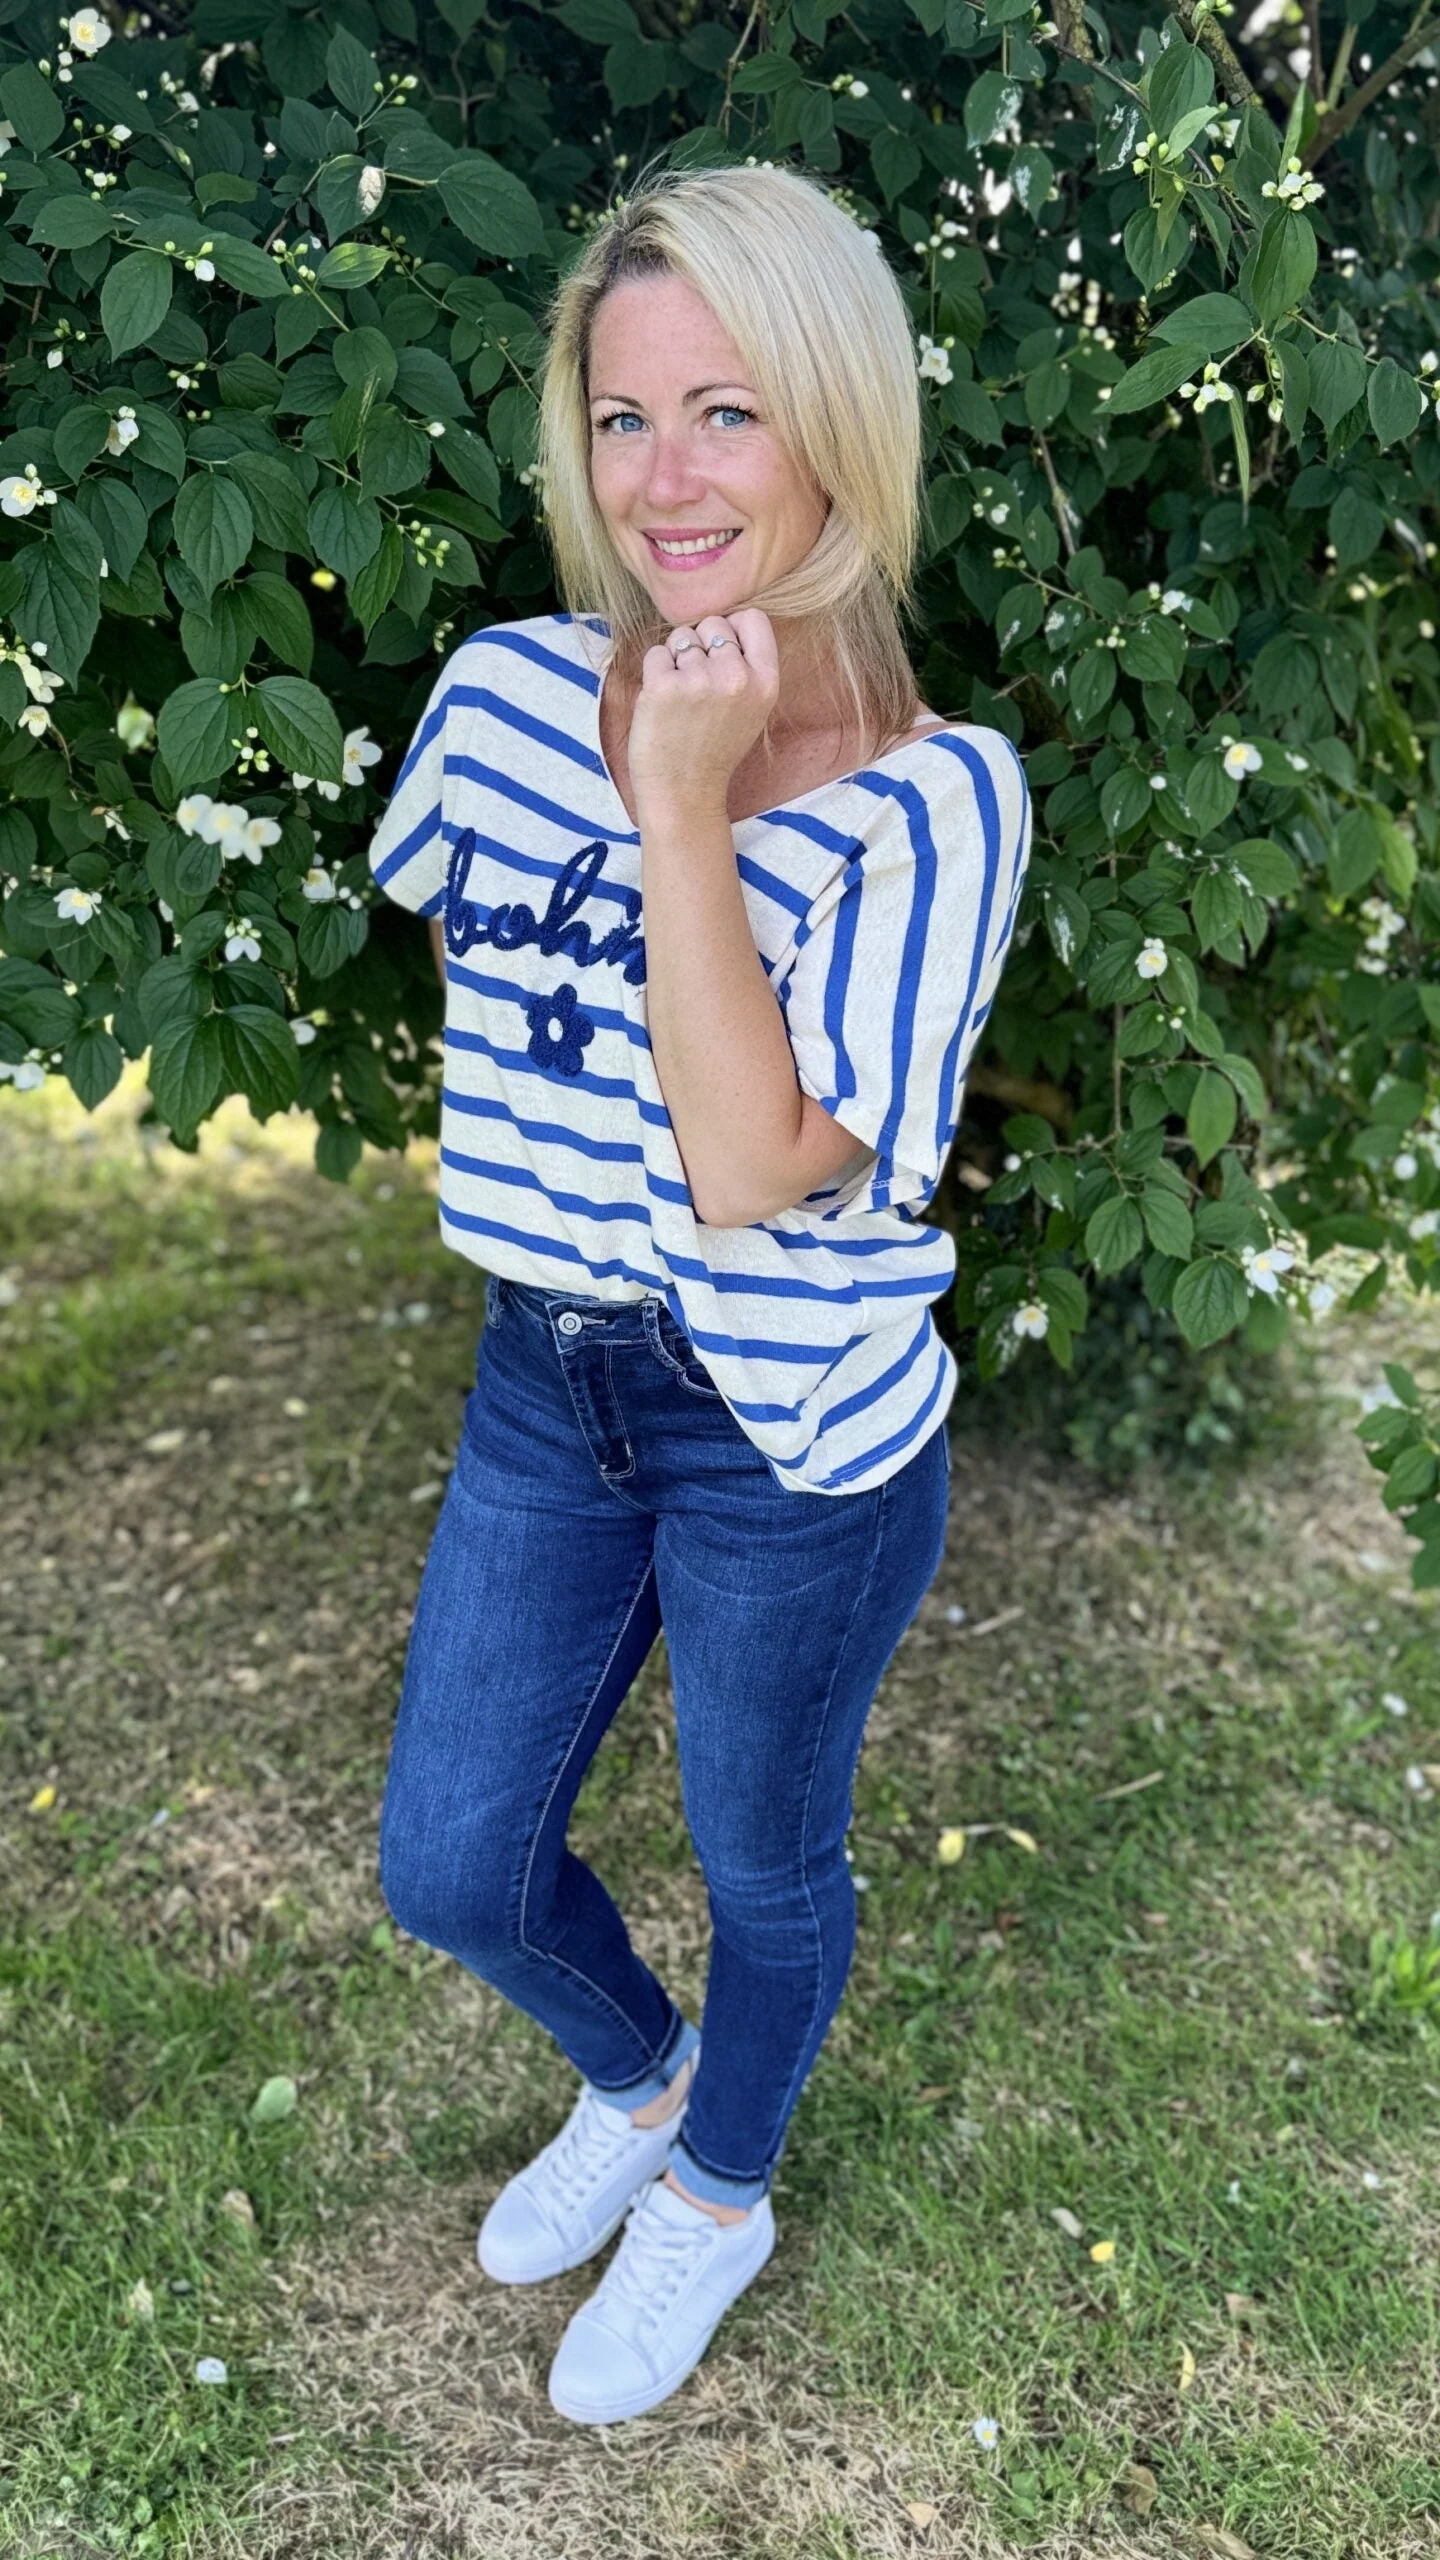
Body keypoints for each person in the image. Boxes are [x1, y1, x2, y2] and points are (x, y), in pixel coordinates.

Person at [369, 155, 1031, 2428]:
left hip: (792, 1425)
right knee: (453, 1863)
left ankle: (720, 2189)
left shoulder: (941, 807)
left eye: (729, 410)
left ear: (839, 425)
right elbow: (504, 1023)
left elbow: (753, 1174)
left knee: (766, 1857)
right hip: (547, 1376)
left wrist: (681, 804)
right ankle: (642, 2078)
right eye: (625, 416)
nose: (665, 479)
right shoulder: (499, 695)